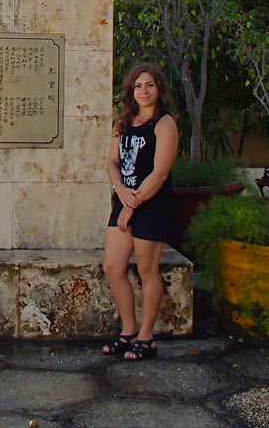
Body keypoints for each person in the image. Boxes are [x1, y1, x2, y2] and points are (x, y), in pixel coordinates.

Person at [101, 63, 179, 361]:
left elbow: (159, 173)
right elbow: (112, 162)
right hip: (125, 200)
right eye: (138, 86)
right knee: (113, 267)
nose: (143, 91)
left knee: (148, 271)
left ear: (159, 89)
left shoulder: (164, 124)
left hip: (152, 205)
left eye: (149, 85)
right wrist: (120, 190)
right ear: (131, 90)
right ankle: (128, 330)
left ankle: (146, 338)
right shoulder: (123, 122)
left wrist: (130, 205)